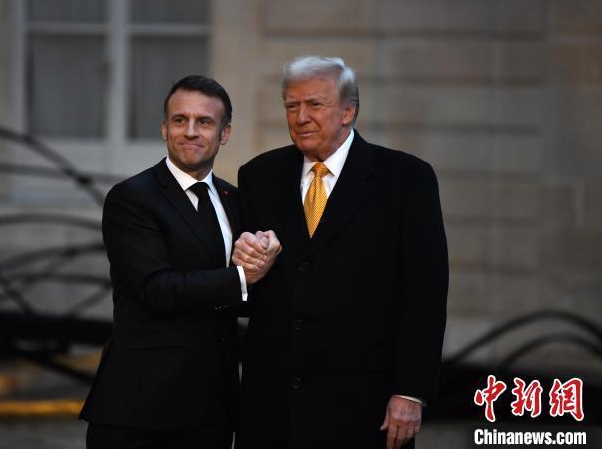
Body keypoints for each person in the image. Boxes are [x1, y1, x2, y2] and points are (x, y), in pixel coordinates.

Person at [231, 56, 449, 449]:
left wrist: (410, 391)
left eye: (314, 104)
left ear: (349, 111)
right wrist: (244, 269)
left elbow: (425, 295)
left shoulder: (405, 179)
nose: (300, 117)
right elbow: (246, 291)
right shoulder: (258, 176)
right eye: (291, 106)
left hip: (364, 405)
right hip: (272, 405)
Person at [79, 75, 280, 449]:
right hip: (141, 410)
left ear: (224, 133)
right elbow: (156, 289)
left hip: (213, 410)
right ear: (164, 128)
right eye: (179, 120)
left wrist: (265, 257)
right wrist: (243, 277)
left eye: (204, 122)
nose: (190, 131)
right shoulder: (131, 198)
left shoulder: (234, 200)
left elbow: (245, 298)